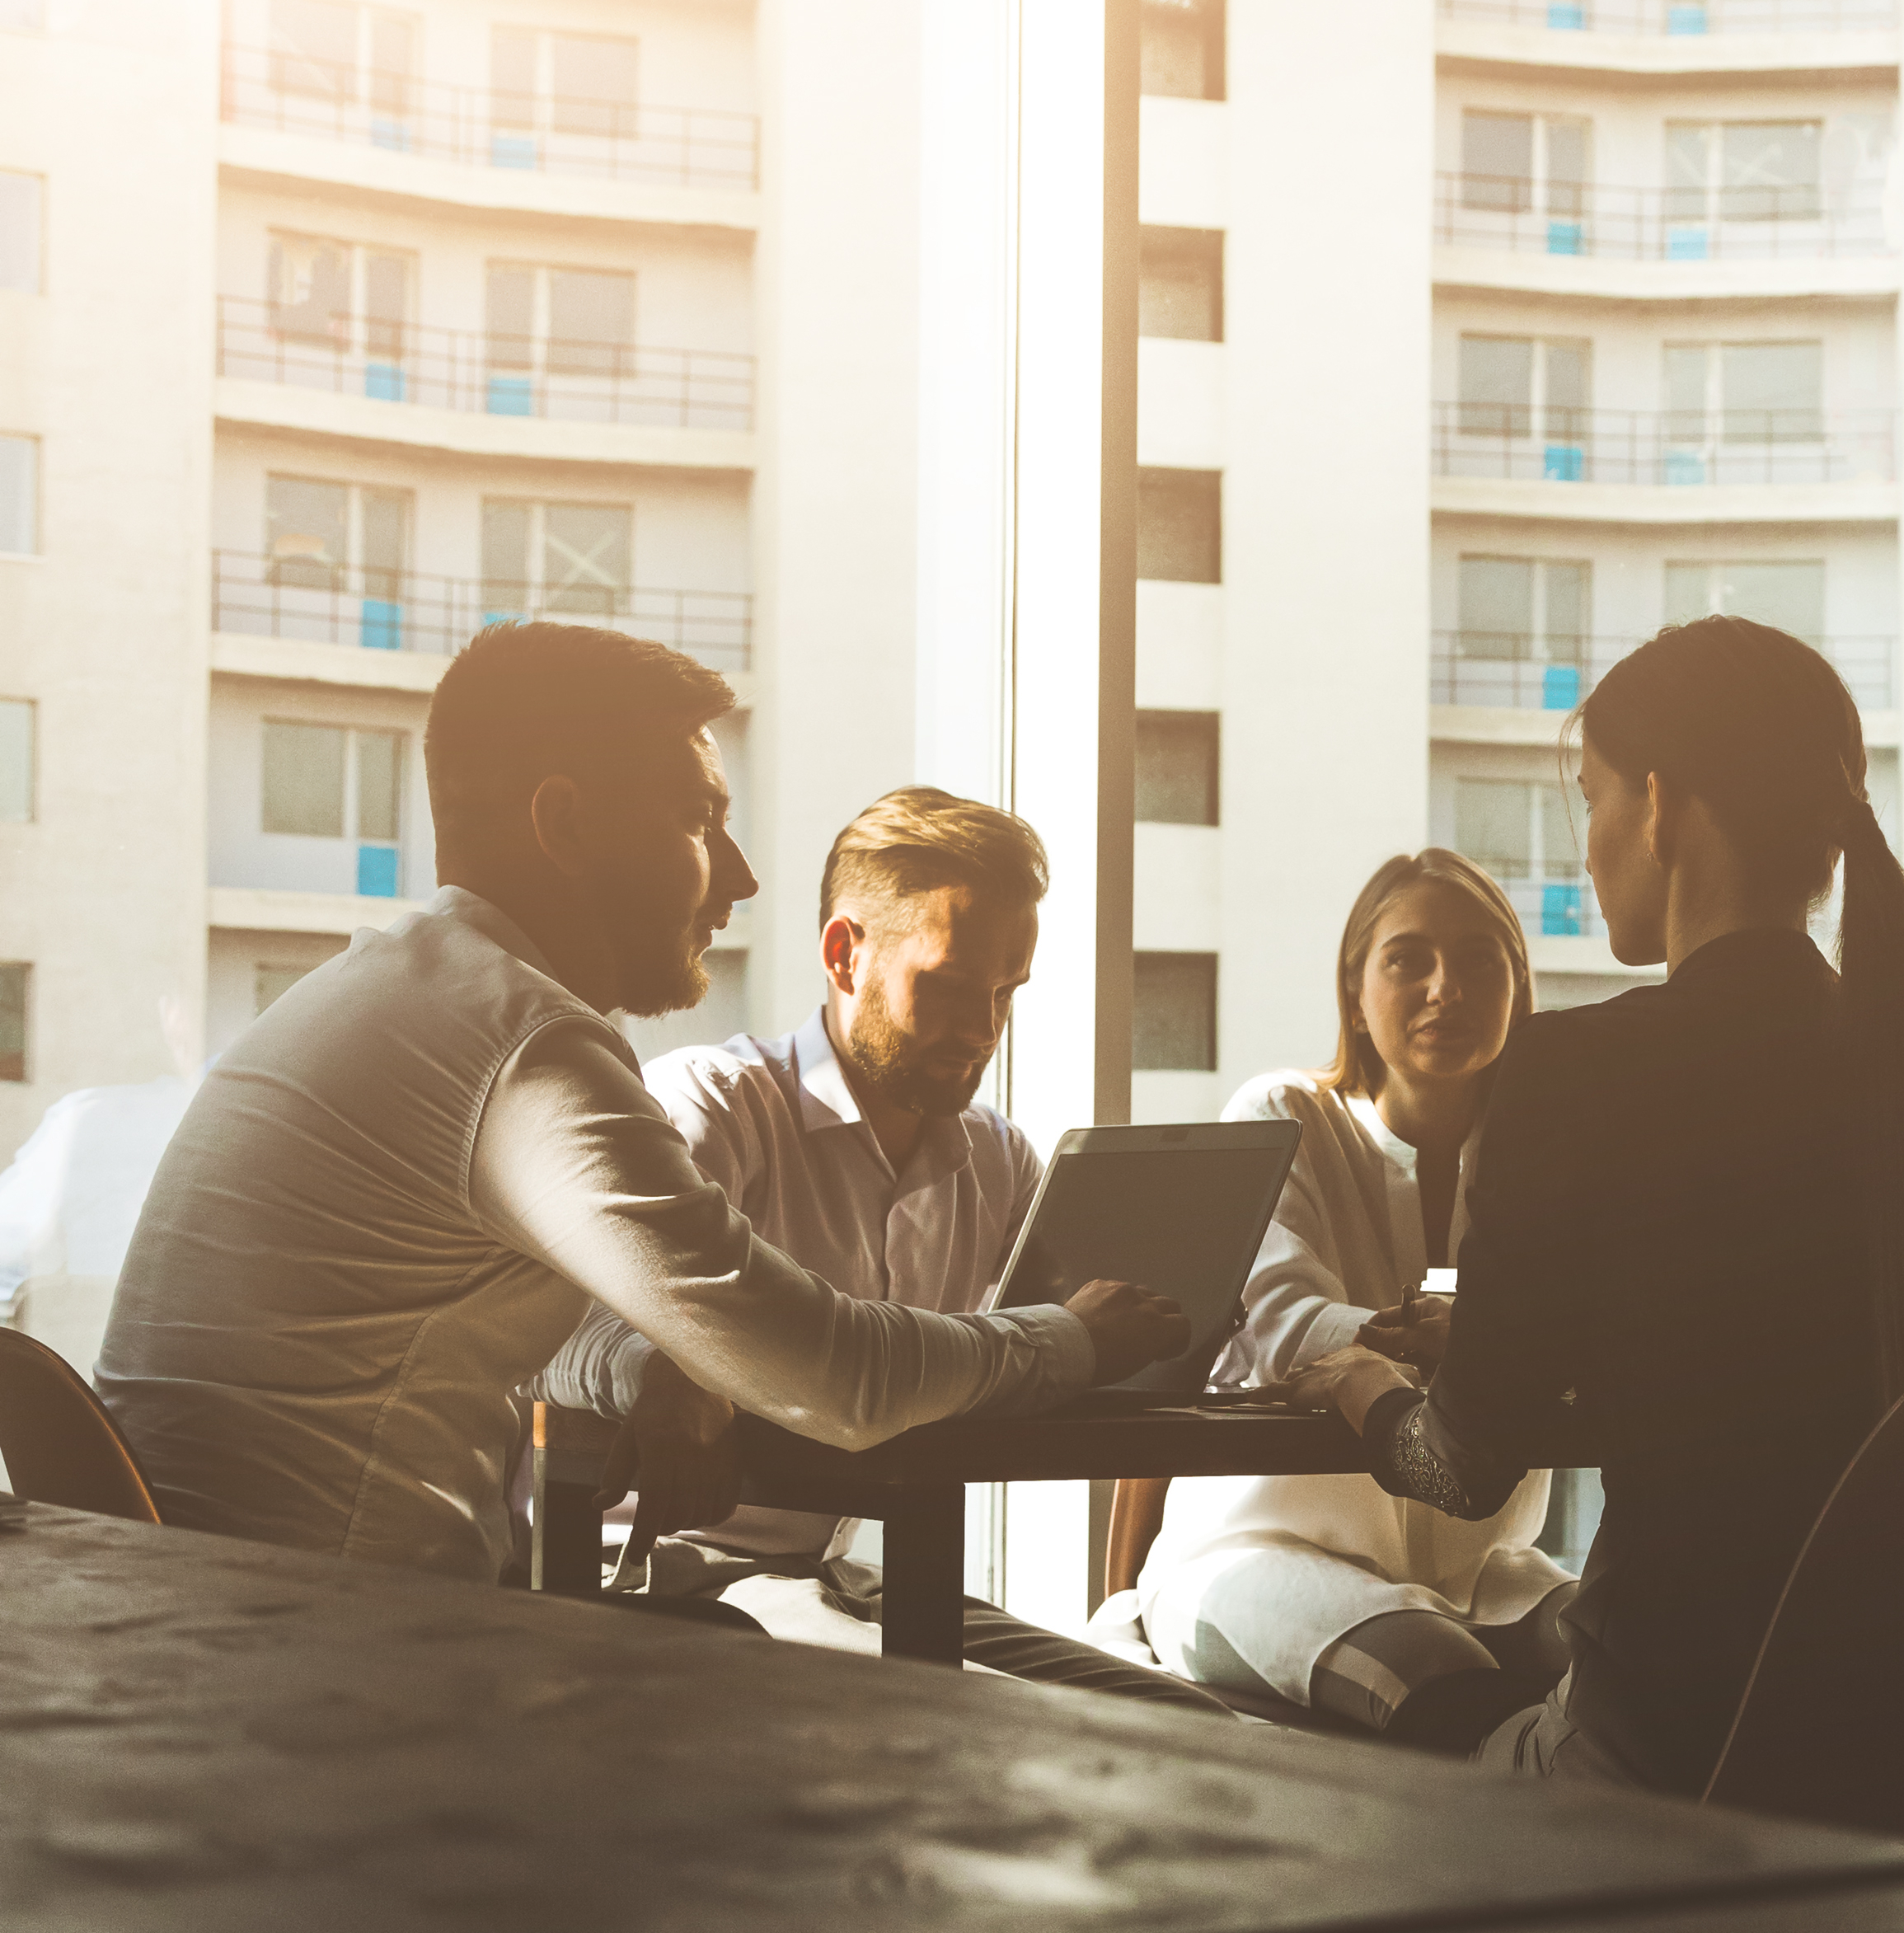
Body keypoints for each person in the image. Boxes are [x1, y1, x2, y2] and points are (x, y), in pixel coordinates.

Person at [98, 622, 1186, 1593]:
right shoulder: (521, 1045)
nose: (745, 876)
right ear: (565, 825)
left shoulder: (408, 989)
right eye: (700, 821)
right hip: (323, 1690)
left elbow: (552, 1332)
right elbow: (834, 1372)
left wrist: (650, 1362)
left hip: (213, 1635)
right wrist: (1070, 1340)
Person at [1285, 617, 1904, 1793]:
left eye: (1593, 797)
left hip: (1653, 1747)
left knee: (1287, 1733)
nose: (1592, 842)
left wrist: (1365, 1388)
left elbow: (1460, 1466)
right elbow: (1778, 1367)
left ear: (1661, 808)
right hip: (1877, 1748)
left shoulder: (1576, 1070)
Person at [535, 786, 1217, 1705]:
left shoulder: (996, 1154)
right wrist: (660, 1361)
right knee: (994, 1722)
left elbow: (1061, 1342)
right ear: (843, 954)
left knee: (1180, 1717)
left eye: (1004, 995)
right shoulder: (713, 1107)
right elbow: (551, 1329)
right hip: (665, 1576)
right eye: (945, 988)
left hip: (841, 1582)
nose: (981, 1032)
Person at [1136, 848, 1576, 1750]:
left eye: (1479, 960)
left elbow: (1582, 1342)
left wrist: (1489, 1341)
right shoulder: (1282, 1114)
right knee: (1440, 1675)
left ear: (1517, 986)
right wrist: (1485, 1341)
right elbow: (1283, 1324)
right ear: (1356, 988)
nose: (1444, 988)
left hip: (1482, 1566)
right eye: (1408, 958)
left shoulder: (1549, 1167)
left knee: (1616, 1653)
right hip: (1262, 1555)